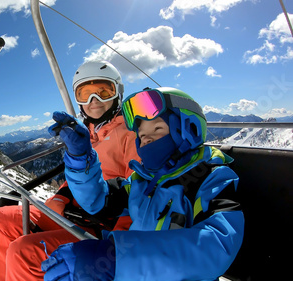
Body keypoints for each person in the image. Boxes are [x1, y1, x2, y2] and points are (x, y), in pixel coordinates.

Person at [42, 87, 245, 281]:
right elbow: (97, 201)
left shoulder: (212, 178)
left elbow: (217, 245)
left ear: (188, 129)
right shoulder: (140, 181)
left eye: (157, 129)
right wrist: (81, 158)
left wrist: (117, 261)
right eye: (141, 135)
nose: (147, 139)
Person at [0, 61, 140, 280]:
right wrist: (62, 195)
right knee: (1, 220)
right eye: (85, 94)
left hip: (102, 225)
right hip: (73, 211)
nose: (93, 101)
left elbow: (139, 191)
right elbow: (78, 176)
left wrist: (115, 245)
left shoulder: (131, 133)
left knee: (24, 251)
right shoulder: (88, 134)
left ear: (117, 93)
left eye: (103, 92)